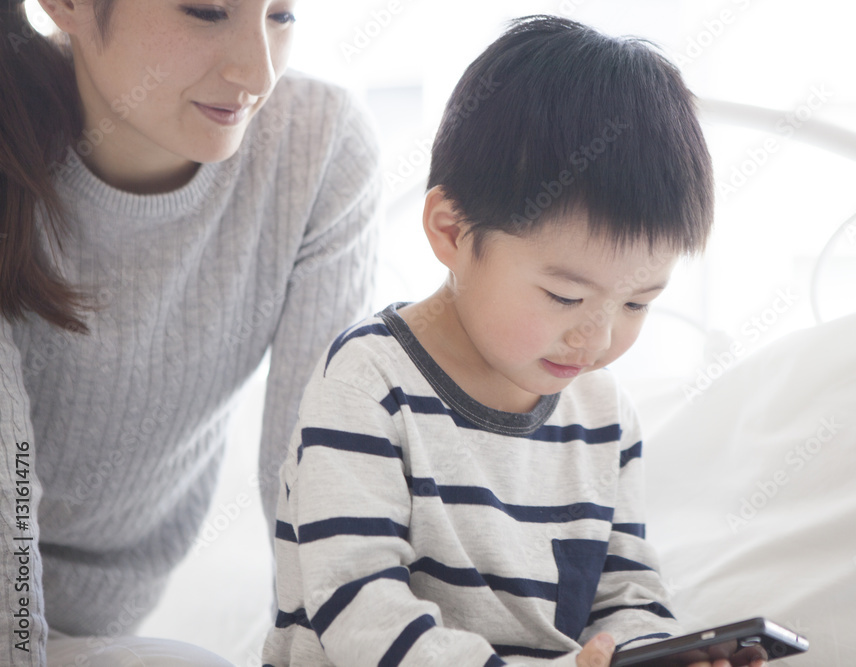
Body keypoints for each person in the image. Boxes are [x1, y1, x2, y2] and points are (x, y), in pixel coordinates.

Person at [262, 15, 763, 667]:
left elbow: (625, 596)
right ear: (451, 231)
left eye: (639, 302)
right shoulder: (368, 382)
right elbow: (359, 606)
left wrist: (658, 653)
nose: (599, 337)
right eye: (564, 296)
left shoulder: (603, 417)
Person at [0, 0, 380, 665]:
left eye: (282, 15)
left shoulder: (318, 150)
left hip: (98, 622)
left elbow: (313, 473)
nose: (256, 72)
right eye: (206, 12)